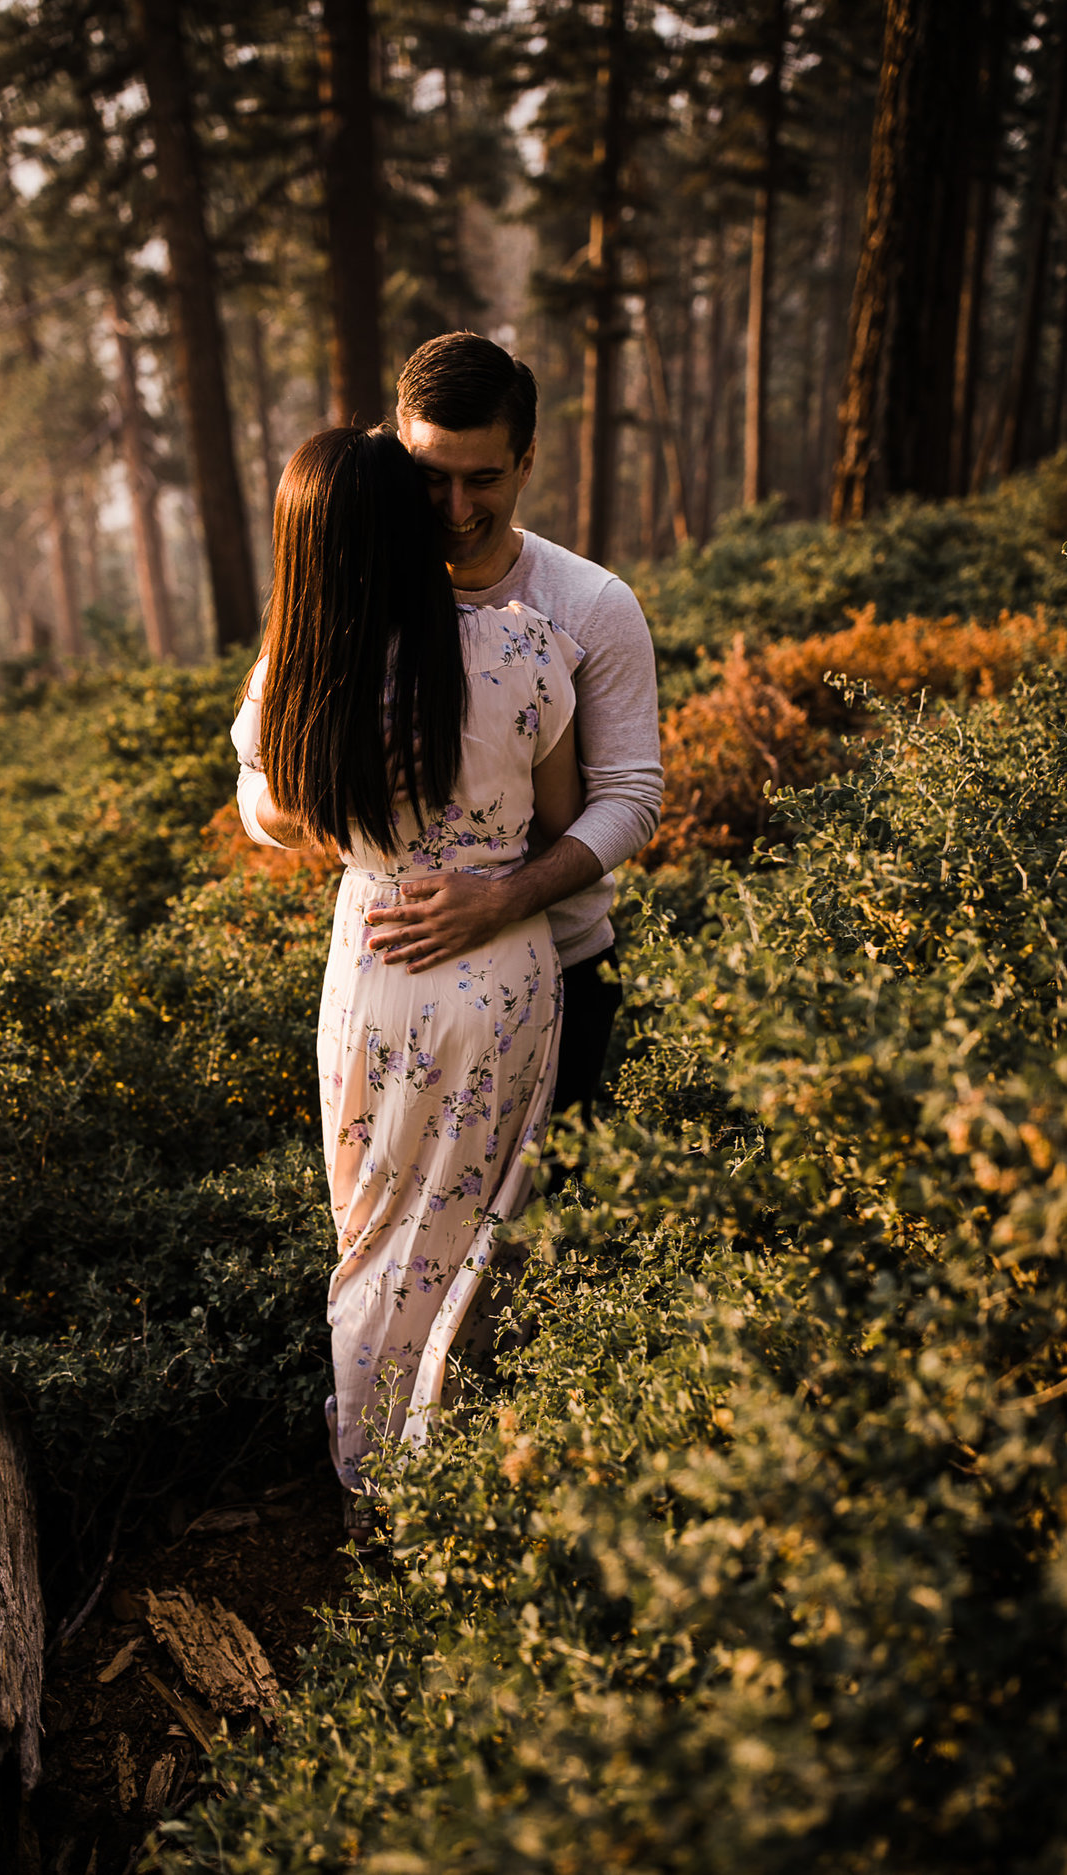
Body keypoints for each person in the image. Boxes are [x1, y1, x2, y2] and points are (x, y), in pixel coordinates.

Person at [230, 425, 584, 1516]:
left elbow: (274, 817)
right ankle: (471, 1467)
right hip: (503, 968)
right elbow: (563, 822)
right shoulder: (522, 645)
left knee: (378, 1237)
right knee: (485, 1234)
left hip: (377, 966)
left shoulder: (297, 674)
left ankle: (378, 1486)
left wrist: (362, 820)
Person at [256, 331, 664, 1119]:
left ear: (528, 461)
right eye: (430, 478)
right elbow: (255, 790)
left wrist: (506, 897)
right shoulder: (341, 601)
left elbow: (631, 797)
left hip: (565, 967)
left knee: (542, 1227)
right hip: (385, 984)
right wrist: (326, 791)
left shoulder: (589, 605)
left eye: (484, 479)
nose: (455, 509)